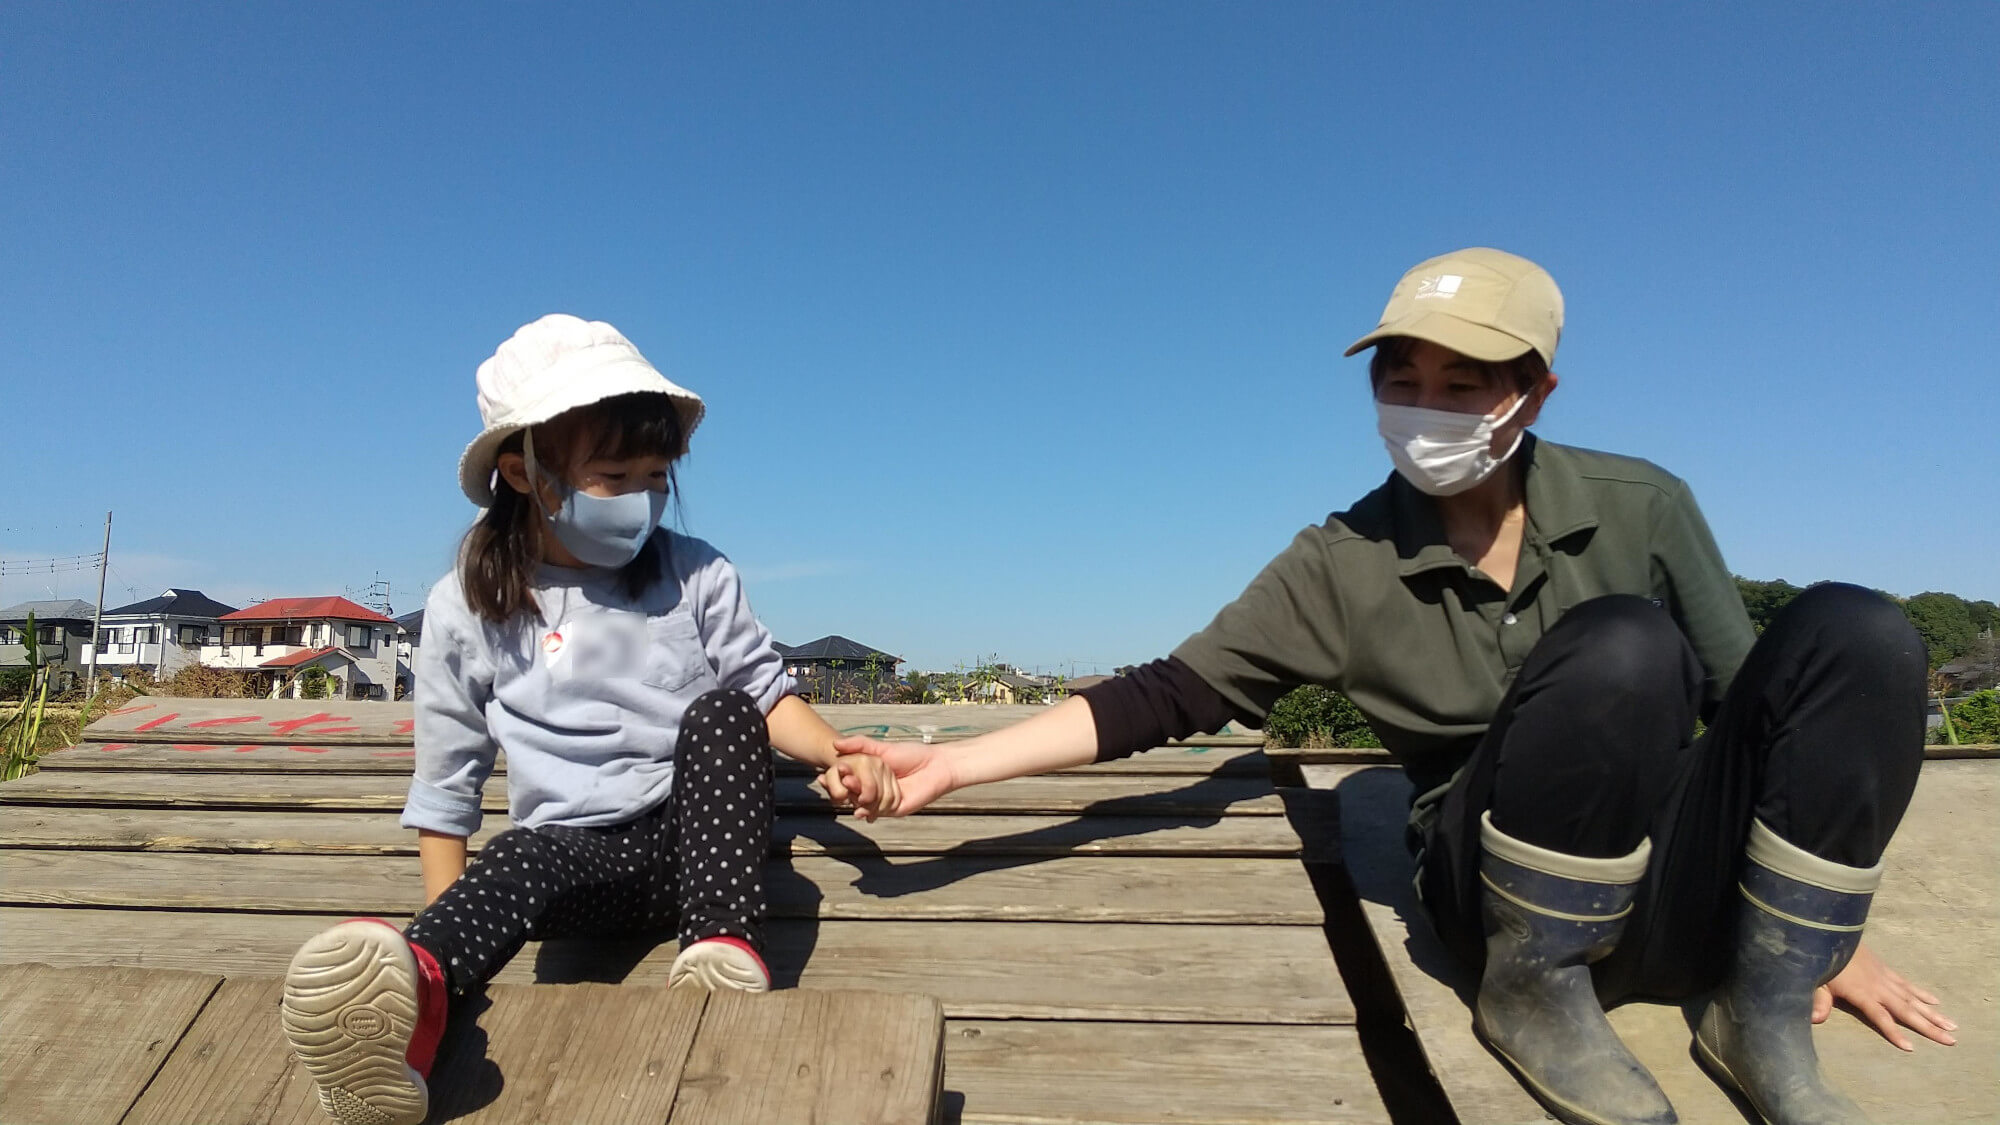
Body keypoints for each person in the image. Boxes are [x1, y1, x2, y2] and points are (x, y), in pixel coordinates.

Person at [836, 250, 1955, 1125]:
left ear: (1533, 393)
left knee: (1856, 630)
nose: (1421, 407)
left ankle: (1759, 1012)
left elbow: (1749, 709)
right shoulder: (1343, 557)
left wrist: (1815, 941)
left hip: (1668, 879)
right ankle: (1534, 994)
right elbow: (1169, 692)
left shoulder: (1641, 504)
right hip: (1503, 893)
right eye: (1398, 380)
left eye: (1458, 385)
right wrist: (950, 761)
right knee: (1619, 644)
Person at [279, 314, 901, 1125]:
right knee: (519, 853)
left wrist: (832, 753)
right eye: (614, 476)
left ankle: (720, 946)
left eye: (655, 474)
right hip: (574, 866)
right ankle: (415, 1001)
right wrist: (454, 937)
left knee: (720, 711)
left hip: (699, 847)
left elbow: (761, 689)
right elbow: (447, 782)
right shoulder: (469, 602)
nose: (641, 499)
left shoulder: (696, 573)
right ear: (527, 471)